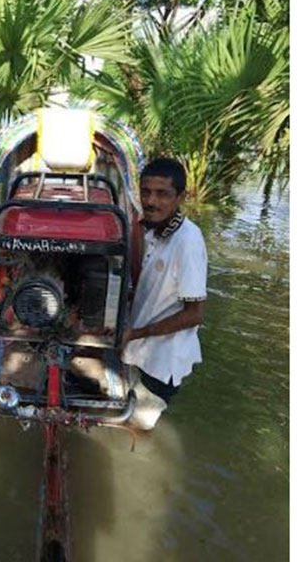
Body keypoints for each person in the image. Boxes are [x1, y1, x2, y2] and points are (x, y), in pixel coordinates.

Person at [121, 157, 208, 429]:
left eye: (162, 194)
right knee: (124, 415)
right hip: (138, 349)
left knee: (138, 428)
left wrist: (135, 333)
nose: (151, 201)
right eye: (145, 192)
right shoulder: (150, 231)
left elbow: (194, 314)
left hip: (162, 360)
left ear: (181, 197)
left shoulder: (188, 241)